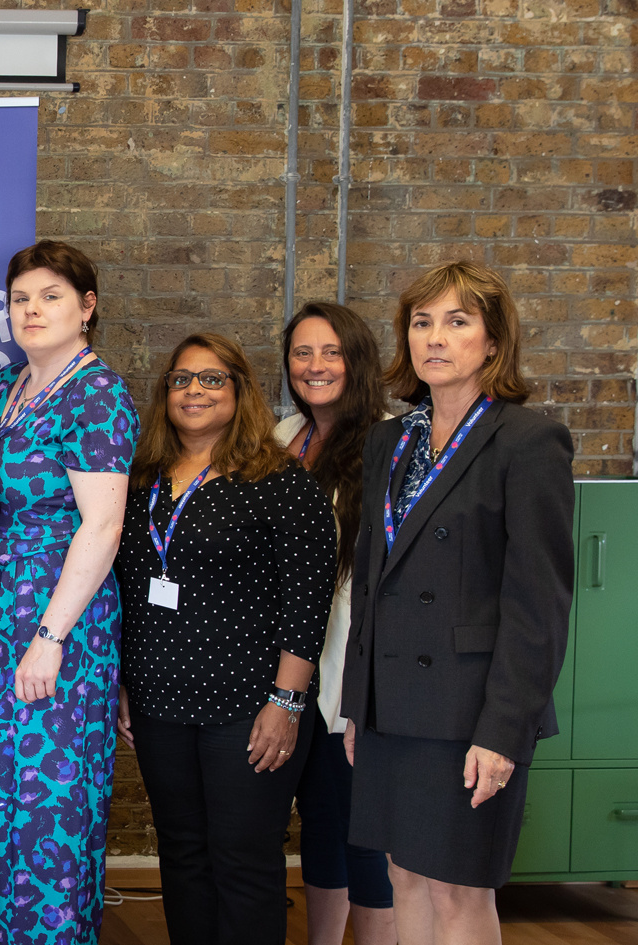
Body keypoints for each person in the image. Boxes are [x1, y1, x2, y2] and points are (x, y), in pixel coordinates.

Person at [341, 261, 574, 944]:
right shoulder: (392, 439)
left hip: (470, 709)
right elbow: (371, 577)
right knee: (403, 875)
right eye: (421, 322)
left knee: (459, 891)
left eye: (457, 321)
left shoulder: (528, 442)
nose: (434, 337)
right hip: (392, 707)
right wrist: (360, 703)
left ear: (494, 341)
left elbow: (539, 606)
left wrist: (504, 730)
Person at [112, 333, 336, 945]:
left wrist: (287, 704)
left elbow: (308, 600)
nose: (193, 390)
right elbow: (128, 589)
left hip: (249, 703)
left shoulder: (280, 480)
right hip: (160, 702)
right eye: (181, 379)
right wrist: (128, 683)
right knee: (182, 855)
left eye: (212, 379)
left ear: (241, 392)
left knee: (244, 860)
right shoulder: (140, 481)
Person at [0, 241, 136, 945]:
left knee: (51, 809)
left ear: (87, 307)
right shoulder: (5, 385)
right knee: (1, 802)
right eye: (20, 299)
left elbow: (102, 527)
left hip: (58, 625)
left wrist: (50, 636)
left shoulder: (97, 394)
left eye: (51, 296)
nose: (32, 310)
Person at [274, 303, 396, 945]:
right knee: (319, 823)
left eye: (330, 352)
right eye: (302, 352)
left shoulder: (393, 442)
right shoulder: (280, 436)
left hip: (357, 671)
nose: (315, 366)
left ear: (357, 360)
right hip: (290, 669)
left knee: (364, 832)